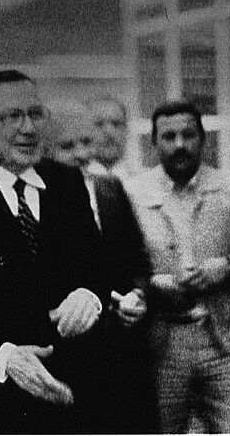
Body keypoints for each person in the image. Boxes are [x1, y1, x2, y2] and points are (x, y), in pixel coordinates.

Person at [0, 70, 108, 433]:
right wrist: (3, 356)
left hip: (69, 393)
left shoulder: (67, 182)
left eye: (35, 113)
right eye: (12, 116)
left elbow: (99, 267)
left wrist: (90, 295)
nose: (28, 128)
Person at [125, 101, 230, 433]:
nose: (180, 144)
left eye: (188, 135)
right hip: (162, 344)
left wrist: (228, 267)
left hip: (228, 343)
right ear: (154, 142)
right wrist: (151, 284)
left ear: (202, 139)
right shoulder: (133, 193)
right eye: (168, 136)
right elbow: (121, 263)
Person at [50, 99, 155, 433]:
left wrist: (139, 295)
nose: (82, 154)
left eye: (85, 143)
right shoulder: (34, 206)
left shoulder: (109, 189)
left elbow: (138, 260)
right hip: (67, 360)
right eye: (67, 146)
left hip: (121, 356)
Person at [87, 95, 142, 182]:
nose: (109, 132)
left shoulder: (143, 181)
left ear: (126, 131)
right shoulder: (69, 182)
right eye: (99, 124)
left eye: (116, 124)